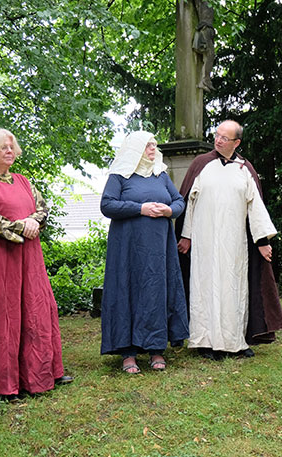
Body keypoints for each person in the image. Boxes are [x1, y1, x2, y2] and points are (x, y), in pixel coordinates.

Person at [0, 128, 72, 400]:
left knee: (36, 310)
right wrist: (18, 226)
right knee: (5, 315)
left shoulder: (24, 181)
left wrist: (34, 222)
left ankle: (40, 374)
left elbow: (42, 208)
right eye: (4, 147)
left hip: (29, 259)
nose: (10, 151)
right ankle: (3, 384)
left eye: (12, 147)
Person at [176, 120, 282, 360]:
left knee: (233, 288)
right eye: (217, 135)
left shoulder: (244, 170)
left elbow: (256, 207)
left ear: (237, 142)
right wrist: (186, 235)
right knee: (203, 288)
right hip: (204, 241)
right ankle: (204, 341)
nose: (218, 140)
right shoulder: (201, 165)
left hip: (233, 243)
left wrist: (263, 240)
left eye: (225, 138)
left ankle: (234, 341)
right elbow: (189, 204)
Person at [99, 131, 189, 374]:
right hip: (127, 249)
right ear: (135, 149)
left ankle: (156, 348)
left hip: (159, 249)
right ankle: (128, 352)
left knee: (156, 291)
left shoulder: (160, 174)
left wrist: (169, 211)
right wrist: (140, 208)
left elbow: (179, 201)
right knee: (128, 289)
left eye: (154, 145)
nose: (153, 149)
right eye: (148, 145)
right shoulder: (120, 175)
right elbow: (107, 205)